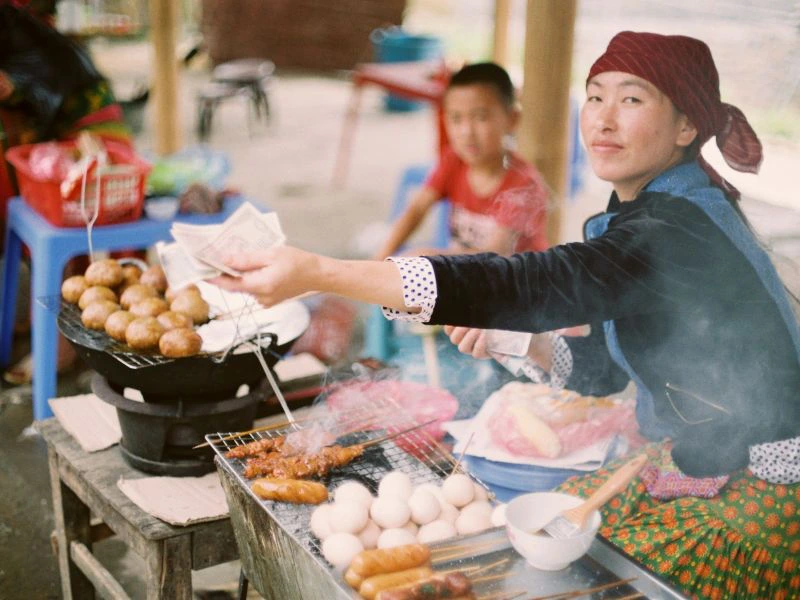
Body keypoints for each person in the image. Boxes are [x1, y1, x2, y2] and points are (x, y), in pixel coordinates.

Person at [210, 32, 800, 598]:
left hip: (764, 481)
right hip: (697, 450)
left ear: (686, 127)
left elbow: (530, 279)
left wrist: (320, 271)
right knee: (548, 537)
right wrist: (520, 342)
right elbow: (606, 370)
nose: (602, 119)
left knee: (590, 571)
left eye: (631, 100)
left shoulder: (677, 228)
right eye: (595, 96)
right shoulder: (651, 210)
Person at [1, 3, 132, 384]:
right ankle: (48, 326)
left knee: (77, 222)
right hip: (47, 120)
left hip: (82, 120)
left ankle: (66, 343)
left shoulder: (24, 30)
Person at [373, 62, 550, 260]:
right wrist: (380, 260)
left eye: (481, 117)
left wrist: (429, 258)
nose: (467, 132)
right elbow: (417, 210)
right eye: (456, 119)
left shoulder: (524, 185)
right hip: (466, 270)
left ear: (512, 119)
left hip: (514, 277)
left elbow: (495, 255)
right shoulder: (454, 160)